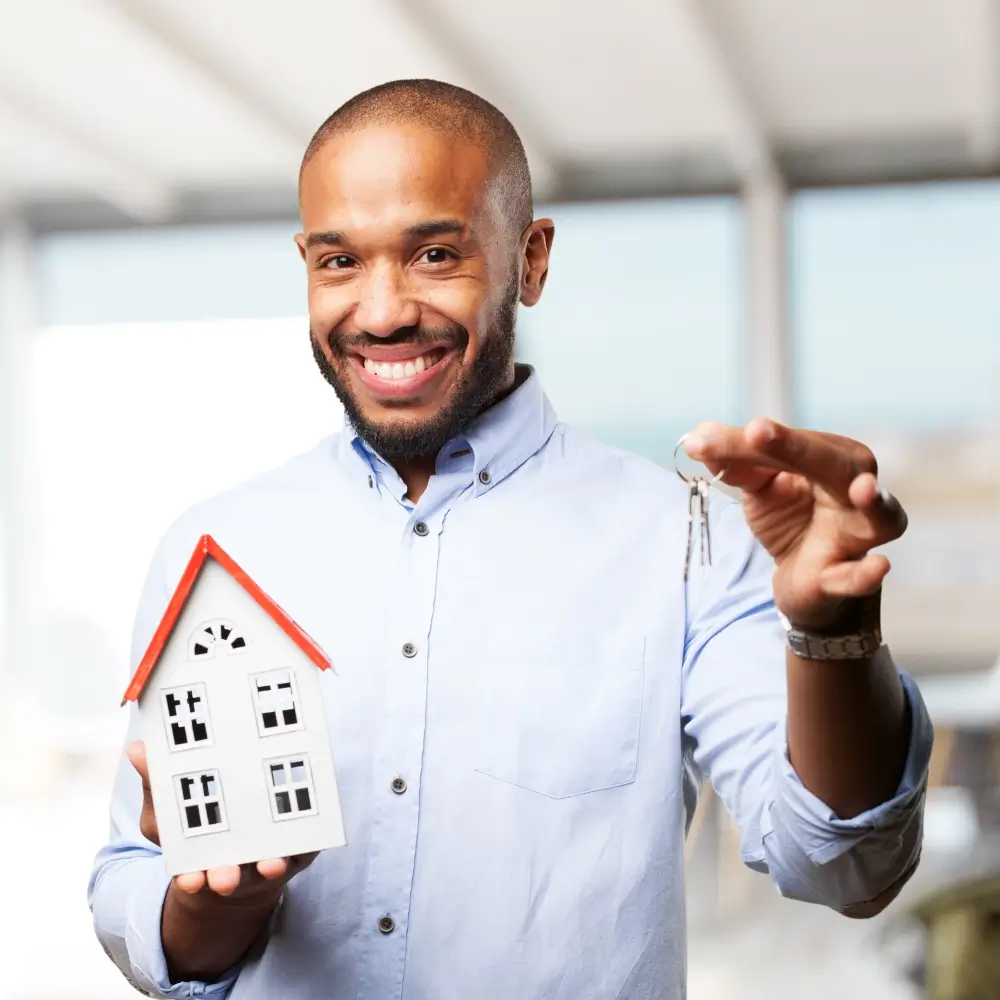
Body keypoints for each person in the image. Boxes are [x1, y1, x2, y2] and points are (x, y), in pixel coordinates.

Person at [88, 79, 933, 1000]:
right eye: (339, 263)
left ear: (530, 261)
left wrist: (835, 633)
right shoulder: (216, 546)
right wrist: (213, 909)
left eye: (435, 253)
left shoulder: (681, 542)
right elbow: (133, 881)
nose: (380, 313)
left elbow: (845, 868)